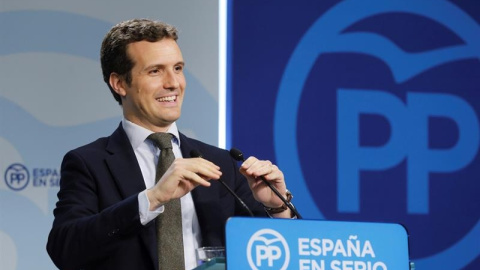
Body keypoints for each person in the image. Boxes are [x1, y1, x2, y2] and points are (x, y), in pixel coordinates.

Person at [46, 18, 294, 270]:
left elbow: (276, 255)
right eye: (155, 71)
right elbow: (65, 249)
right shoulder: (89, 163)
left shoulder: (221, 164)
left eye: (177, 68)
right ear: (119, 83)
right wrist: (152, 199)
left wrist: (276, 208)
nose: (173, 83)